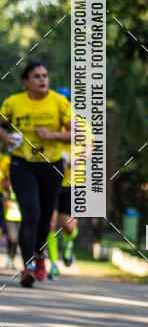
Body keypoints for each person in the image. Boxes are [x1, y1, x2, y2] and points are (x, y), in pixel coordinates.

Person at [0, 62, 71, 286]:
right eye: (37, 76)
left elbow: (74, 134)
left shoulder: (59, 102)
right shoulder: (13, 102)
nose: (42, 80)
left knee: (45, 217)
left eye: (45, 75)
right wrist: (5, 137)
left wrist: (51, 135)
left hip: (51, 165)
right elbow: (1, 125)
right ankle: (28, 265)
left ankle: (39, 255)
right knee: (31, 212)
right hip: (22, 165)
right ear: (25, 81)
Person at [46, 87, 79, 278]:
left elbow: (92, 147)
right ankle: (53, 264)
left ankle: (69, 243)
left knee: (69, 227)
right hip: (51, 181)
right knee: (50, 224)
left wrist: (77, 159)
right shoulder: (50, 124)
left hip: (73, 182)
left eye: (66, 100)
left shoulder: (80, 124)